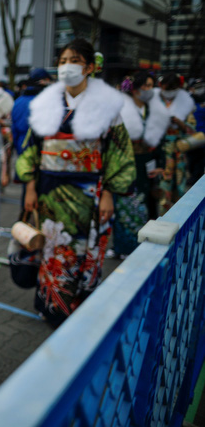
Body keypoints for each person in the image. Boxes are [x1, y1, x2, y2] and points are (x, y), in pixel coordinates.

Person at [16, 38, 135, 327]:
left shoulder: (107, 107)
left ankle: (77, 309)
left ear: (90, 67)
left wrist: (108, 192)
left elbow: (119, 153)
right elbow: (31, 148)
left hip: (89, 191)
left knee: (82, 250)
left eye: (75, 61)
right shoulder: (46, 105)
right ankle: (51, 305)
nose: (67, 67)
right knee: (51, 247)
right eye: (63, 61)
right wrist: (30, 187)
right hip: (48, 191)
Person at [110, 72, 170, 258]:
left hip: (148, 162)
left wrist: (161, 163)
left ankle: (137, 246)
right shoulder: (121, 108)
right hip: (125, 162)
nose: (148, 90)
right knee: (123, 204)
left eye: (151, 86)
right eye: (145, 86)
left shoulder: (154, 110)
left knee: (145, 203)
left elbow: (160, 139)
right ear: (134, 90)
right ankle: (121, 246)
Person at [156, 73, 196, 215]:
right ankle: (162, 214)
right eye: (166, 88)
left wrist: (180, 123)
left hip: (178, 149)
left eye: (172, 89)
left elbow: (192, 130)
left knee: (179, 182)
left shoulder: (185, 103)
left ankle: (177, 215)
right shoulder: (155, 101)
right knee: (162, 183)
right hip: (160, 149)